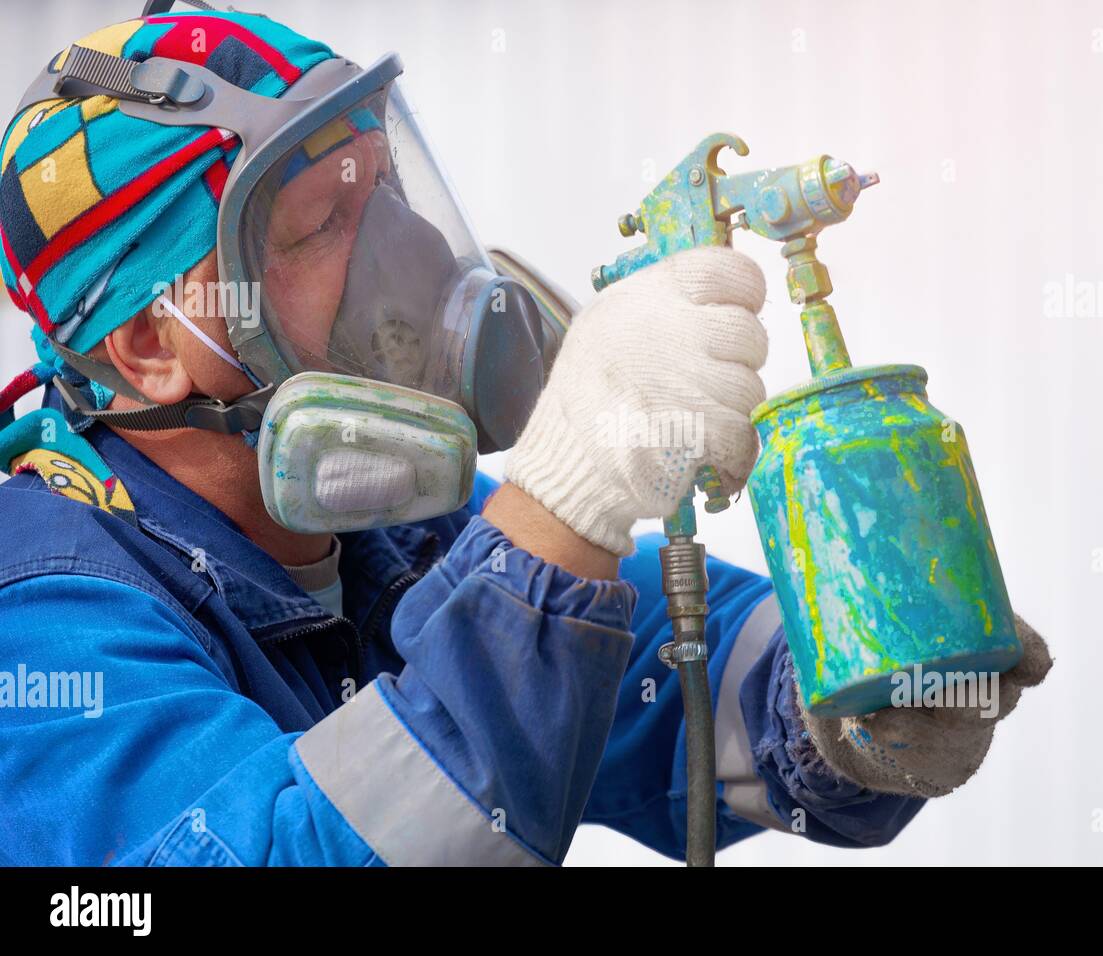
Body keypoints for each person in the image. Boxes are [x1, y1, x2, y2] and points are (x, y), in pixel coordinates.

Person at [0, 5, 1050, 866]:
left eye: (390, 189)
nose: (403, 256)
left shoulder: (404, 544)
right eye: (322, 223)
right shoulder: (46, 631)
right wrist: (563, 506)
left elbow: (677, 673)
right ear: (146, 344)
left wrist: (861, 677)